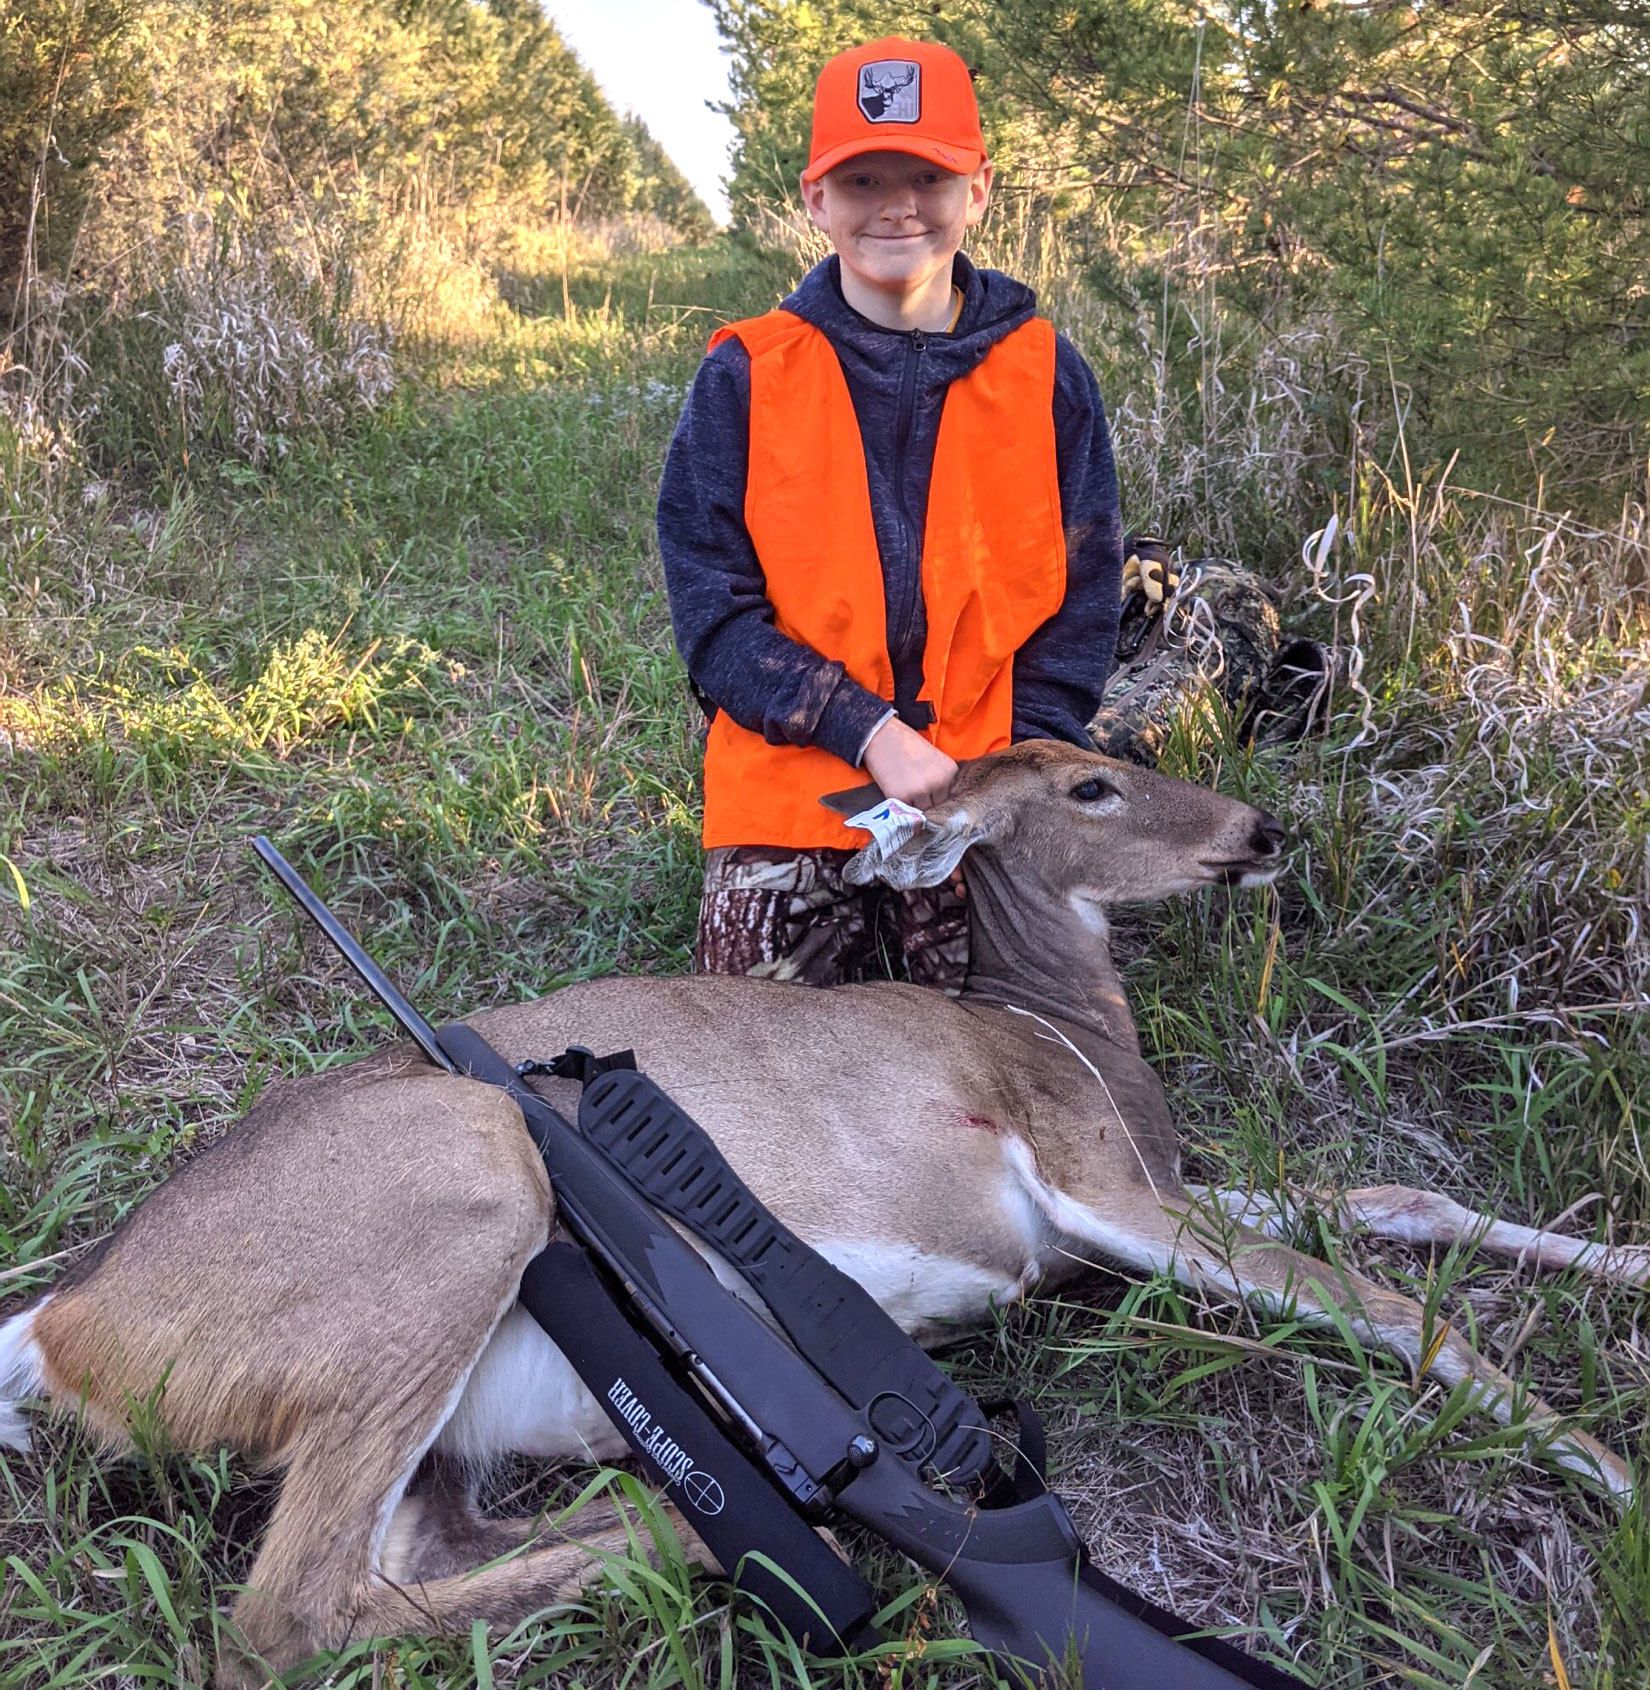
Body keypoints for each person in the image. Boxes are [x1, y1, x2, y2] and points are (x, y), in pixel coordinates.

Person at [657, 36, 1125, 992]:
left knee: (1016, 1047)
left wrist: (1006, 775)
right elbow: (716, 620)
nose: (897, 204)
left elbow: (1080, 600)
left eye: (928, 173)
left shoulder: (1047, 375)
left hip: (984, 778)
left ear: (978, 189)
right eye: (864, 178)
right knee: (760, 1061)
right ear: (816, 199)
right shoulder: (746, 375)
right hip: (793, 777)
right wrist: (867, 731)